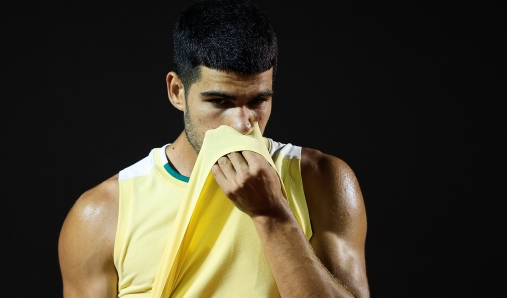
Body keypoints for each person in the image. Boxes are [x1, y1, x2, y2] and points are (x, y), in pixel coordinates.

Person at [58, 0, 370, 297]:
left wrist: (272, 215)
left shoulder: (320, 180)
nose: (242, 124)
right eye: (220, 101)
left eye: (258, 100)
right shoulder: (102, 214)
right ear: (177, 91)